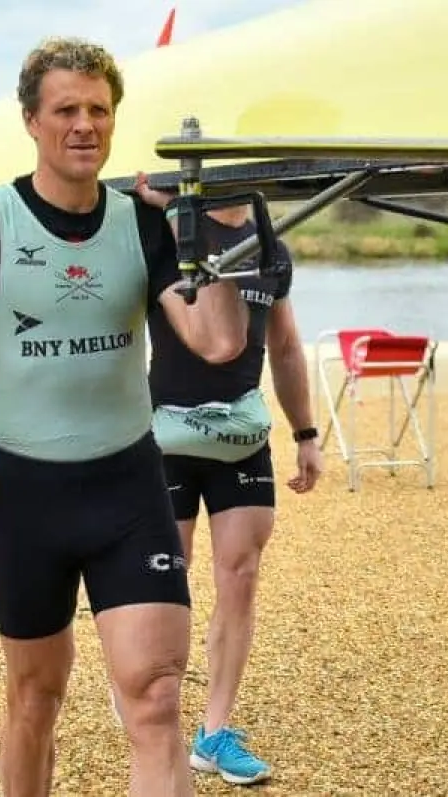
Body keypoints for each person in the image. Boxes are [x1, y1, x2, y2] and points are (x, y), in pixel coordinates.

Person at [0, 36, 250, 797]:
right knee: (35, 699)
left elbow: (216, 339)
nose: (84, 125)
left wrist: (214, 234)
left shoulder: (142, 223)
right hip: (28, 500)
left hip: (131, 490)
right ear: (31, 120)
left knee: (158, 698)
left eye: (98, 110)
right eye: (65, 109)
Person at [140, 203, 322, 786]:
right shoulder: (166, 232)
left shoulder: (271, 245)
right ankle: (147, 703)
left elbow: (287, 347)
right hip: (166, 430)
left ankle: (214, 734)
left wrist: (306, 434)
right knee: (166, 575)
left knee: (239, 574)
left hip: (241, 436)